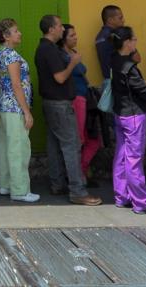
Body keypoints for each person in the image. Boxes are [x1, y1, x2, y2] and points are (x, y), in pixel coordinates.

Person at [35, 14, 101, 206]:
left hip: (50, 103)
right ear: (51, 29)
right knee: (72, 146)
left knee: (55, 144)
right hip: (60, 104)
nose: (62, 30)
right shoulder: (50, 51)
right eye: (59, 26)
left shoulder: (43, 49)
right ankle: (78, 191)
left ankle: (57, 184)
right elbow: (60, 78)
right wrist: (73, 62)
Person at [109, 27, 146, 214]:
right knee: (134, 159)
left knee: (121, 155)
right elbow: (145, 92)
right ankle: (141, 202)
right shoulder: (129, 67)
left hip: (120, 112)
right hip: (134, 115)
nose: (136, 42)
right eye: (134, 39)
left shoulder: (114, 60)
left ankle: (121, 196)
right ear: (127, 42)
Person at [0, 18, 38, 203]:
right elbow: (16, 85)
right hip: (14, 108)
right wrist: (27, 111)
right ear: (6, 36)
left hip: (3, 107)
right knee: (19, 148)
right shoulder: (12, 56)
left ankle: (6, 185)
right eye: (15, 31)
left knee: (5, 146)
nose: (19, 33)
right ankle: (20, 190)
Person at [59, 24, 100, 185]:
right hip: (75, 100)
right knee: (79, 138)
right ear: (63, 39)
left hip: (85, 99)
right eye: (72, 36)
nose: (76, 38)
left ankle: (81, 170)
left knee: (93, 139)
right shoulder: (63, 57)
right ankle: (77, 175)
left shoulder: (74, 53)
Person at [94, 5, 123, 80]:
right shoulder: (114, 36)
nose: (123, 20)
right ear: (110, 20)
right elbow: (134, 58)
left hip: (109, 79)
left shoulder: (99, 36)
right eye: (120, 18)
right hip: (117, 80)